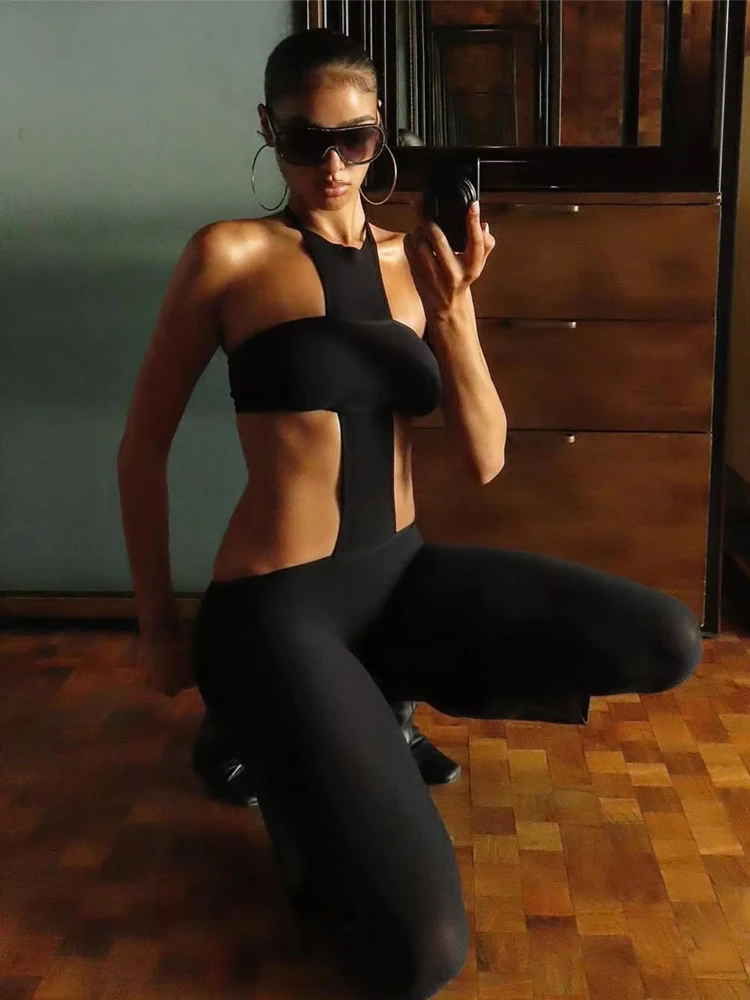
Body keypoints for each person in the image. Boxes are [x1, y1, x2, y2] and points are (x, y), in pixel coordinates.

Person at [116, 26, 704, 1000]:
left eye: (355, 140)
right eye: (305, 141)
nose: (333, 166)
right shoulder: (228, 255)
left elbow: (485, 457)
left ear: (381, 131)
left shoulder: (414, 262)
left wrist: (458, 312)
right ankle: (264, 727)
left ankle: (355, 703)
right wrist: (158, 632)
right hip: (278, 610)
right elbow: (142, 446)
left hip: (398, 578)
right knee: (422, 952)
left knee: (667, 640)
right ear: (267, 130)